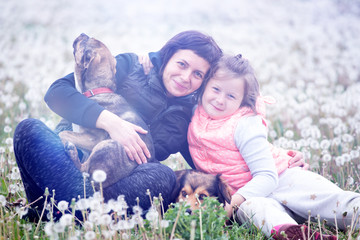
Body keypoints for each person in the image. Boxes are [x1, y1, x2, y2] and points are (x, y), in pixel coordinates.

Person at [13, 30, 223, 220]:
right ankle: (80, 214)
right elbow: (57, 92)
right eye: (182, 64)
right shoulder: (131, 66)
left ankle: (65, 213)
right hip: (70, 156)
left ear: (204, 82)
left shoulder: (188, 116)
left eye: (198, 74)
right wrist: (110, 122)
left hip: (114, 183)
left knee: (164, 176)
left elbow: (210, 166)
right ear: (167, 56)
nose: (186, 77)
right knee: (28, 129)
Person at [187, 54, 359, 239]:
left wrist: (231, 204)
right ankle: (296, 234)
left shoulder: (244, 124)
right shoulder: (195, 115)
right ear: (205, 86)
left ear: (243, 100)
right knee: (254, 211)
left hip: (283, 178)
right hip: (249, 197)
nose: (220, 100)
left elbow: (267, 176)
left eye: (231, 95)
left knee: (336, 205)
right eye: (216, 89)